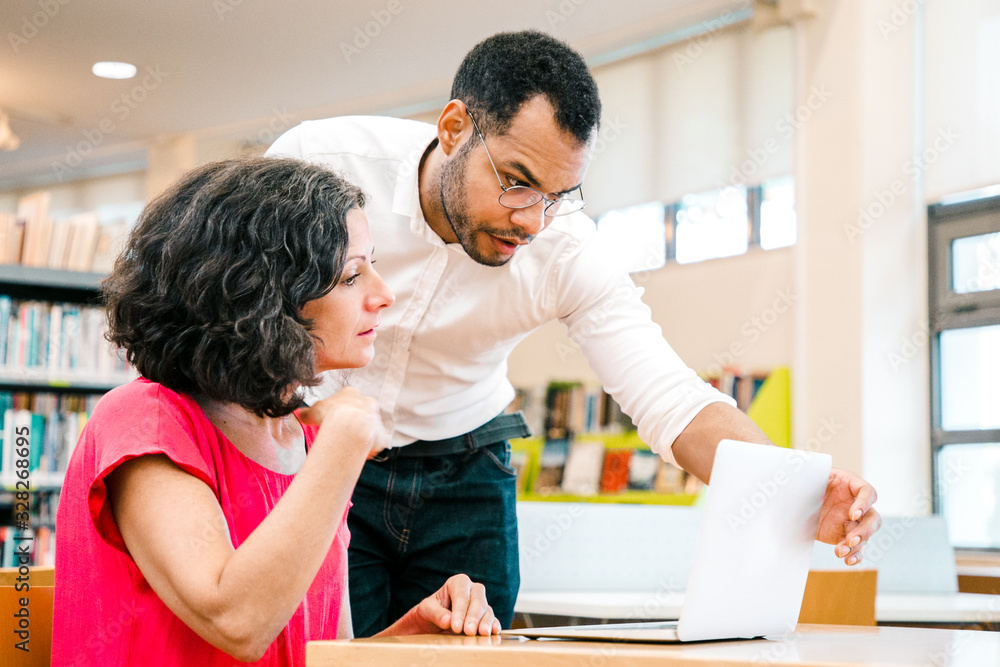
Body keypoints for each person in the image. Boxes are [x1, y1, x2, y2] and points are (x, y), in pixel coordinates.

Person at [266, 30, 881, 636]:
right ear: (453, 129)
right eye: (517, 181)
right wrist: (296, 413)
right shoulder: (321, 166)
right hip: (322, 450)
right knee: (328, 652)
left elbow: (671, 399)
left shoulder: (565, 251)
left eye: (558, 195)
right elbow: (233, 316)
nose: (531, 221)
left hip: (467, 471)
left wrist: (789, 491)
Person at [52, 156, 501, 667]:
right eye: (353, 275)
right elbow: (236, 623)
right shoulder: (144, 420)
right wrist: (347, 439)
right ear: (266, 296)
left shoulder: (308, 439)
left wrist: (413, 634)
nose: (384, 294)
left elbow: (321, 653)